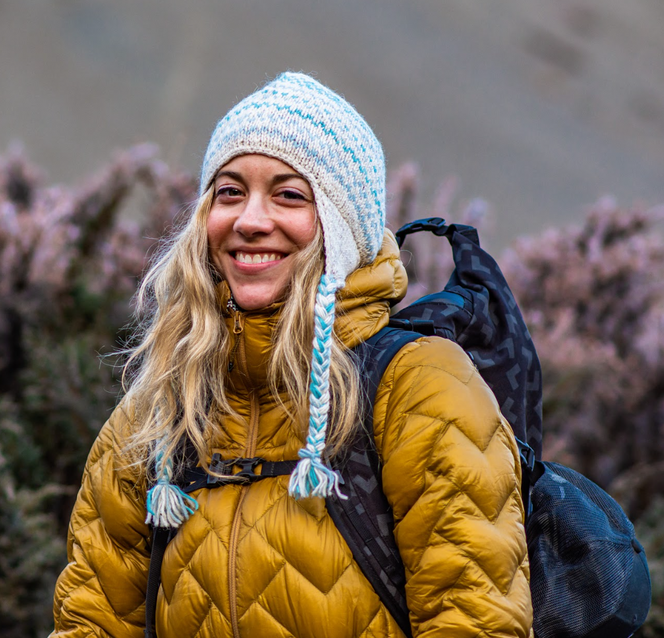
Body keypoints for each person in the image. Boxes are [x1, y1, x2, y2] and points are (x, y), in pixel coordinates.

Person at [50, 72, 532, 638]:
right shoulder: (160, 409)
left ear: (341, 228)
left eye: (289, 195)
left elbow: (476, 620)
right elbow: (92, 621)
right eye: (229, 192)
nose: (251, 221)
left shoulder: (419, 387)